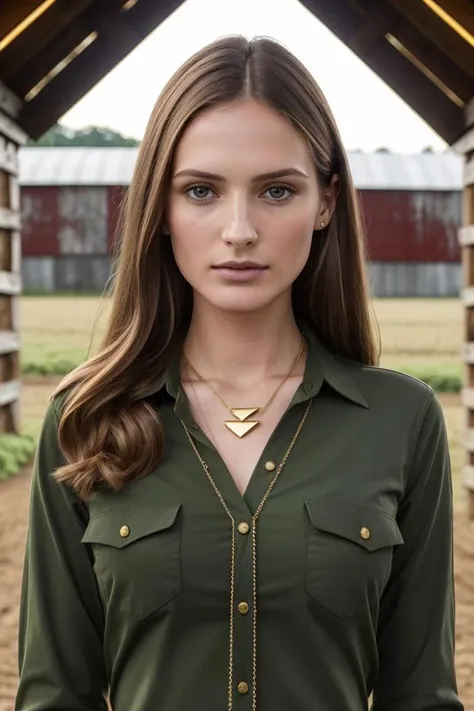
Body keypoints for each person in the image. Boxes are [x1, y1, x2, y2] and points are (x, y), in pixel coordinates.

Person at [15, 35, 463, 711]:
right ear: (161, 211)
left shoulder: (403, 420)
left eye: (276, 190)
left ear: (326, 203)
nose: (239, 229)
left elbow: (421, 694)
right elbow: (55, 694)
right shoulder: (85, 417)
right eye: (201, 190)